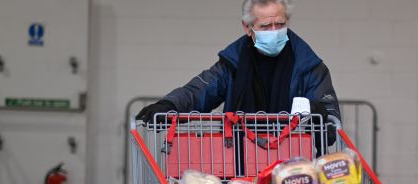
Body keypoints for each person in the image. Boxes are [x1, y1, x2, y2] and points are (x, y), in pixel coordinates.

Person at [136, 0, 340, 130]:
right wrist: (169, 105)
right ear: (248, 27)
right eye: (265, 26)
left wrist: (320, 113)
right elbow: (199, 91)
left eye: (280, 24)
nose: (274, 30)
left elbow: (331, 119)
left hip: (291, 167)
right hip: (240, 163)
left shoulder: (309, 66)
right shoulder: (232, 63)